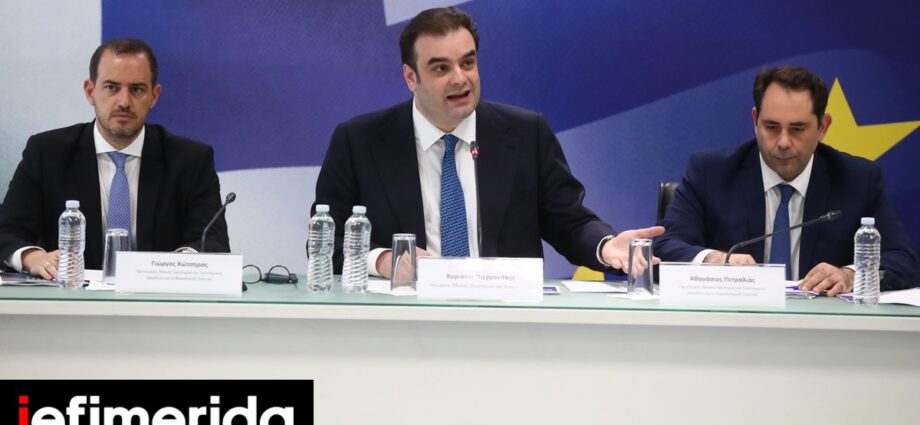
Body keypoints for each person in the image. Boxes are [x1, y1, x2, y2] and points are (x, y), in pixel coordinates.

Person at [314, 7, 662, 278]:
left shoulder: (526, 133)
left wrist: (605, 245)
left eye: (468, 62)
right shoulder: (359, 141)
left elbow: (569, 222)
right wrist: (385, 261)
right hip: (403, 324)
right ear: (410, 77)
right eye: (441, 68)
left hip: (505, 323)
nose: (460, 79)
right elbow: (328, 244)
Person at [654, 66, 919, 295]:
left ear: (823, 127)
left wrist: (850, 275)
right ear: (755, 120)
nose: (783, 142)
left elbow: (904, 261)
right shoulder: (711, 172)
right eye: (771, 127)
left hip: (823, 330)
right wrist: (714, 260)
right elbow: (663, 248)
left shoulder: (857, 179)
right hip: (732, 326)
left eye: (797, 129)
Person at [0, 38, 230, 279]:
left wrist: (175, 267)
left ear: (154, 96)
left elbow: (212, 242)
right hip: (71, 297)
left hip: (157, 297)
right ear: (90, 91)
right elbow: (6, 230)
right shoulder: (47, 153)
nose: (124, 102)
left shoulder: (191, 160)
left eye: (137, 89)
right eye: (111, 87)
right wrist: (32, 257)